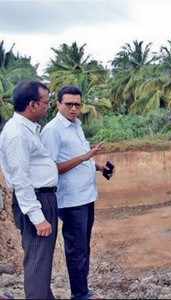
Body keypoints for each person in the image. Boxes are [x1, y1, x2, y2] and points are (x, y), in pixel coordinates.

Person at [41, 85, 111, 300]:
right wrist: (85, 157)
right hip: (71, 200)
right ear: (58, 104)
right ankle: (80, 294)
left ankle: (83, 291)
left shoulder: (76, 126)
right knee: (77, 249)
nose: (73, 109)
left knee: (83, 247)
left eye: (77, 105)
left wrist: (99, 166)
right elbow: (51, 168)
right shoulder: (53, 131)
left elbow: (81, 158)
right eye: (69, 104)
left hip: (86, 196)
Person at [0, 80, 58, 299]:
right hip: (35, 200)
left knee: (41, 262)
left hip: (42, 198)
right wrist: (37, 217)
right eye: (45, 102)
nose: (47, 106)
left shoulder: (28, 129)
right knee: (37, 261)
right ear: (32, 104)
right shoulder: (17, 134)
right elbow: (20, 178)